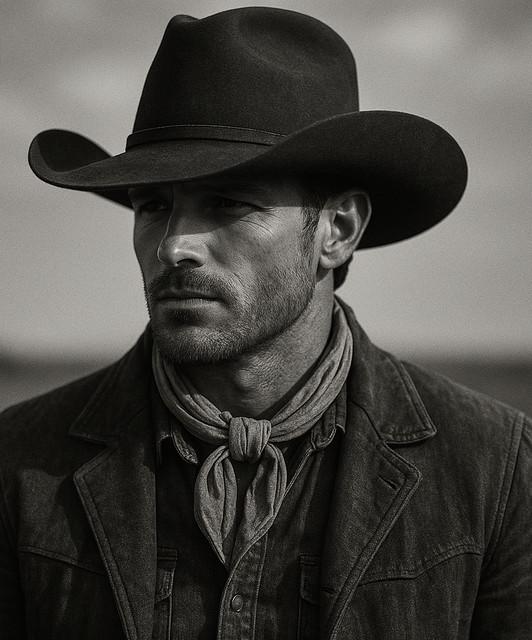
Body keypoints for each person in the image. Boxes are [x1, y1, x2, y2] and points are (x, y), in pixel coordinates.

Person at [0, 7, 530, 640]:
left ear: (337, 230)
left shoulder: (496, 469)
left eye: (229, 202)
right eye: (153, 206)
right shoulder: (19, 462)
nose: (174, 246)